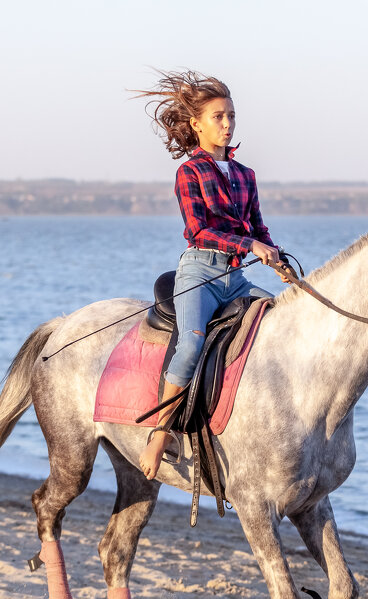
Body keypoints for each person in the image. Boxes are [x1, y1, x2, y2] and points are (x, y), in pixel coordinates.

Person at [133, 71, 286, 480]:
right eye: (218, 116)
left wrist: (277, 257)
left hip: (236, 277)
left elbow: (257, 226)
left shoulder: (246, 175)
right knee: (190, 345)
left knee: (279, 325)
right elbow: (199, 230)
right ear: (197, 124)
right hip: (199, 271)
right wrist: (249, 246)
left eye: (231, 116)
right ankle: (159, 432)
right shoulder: (189, 173)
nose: (227, 123)